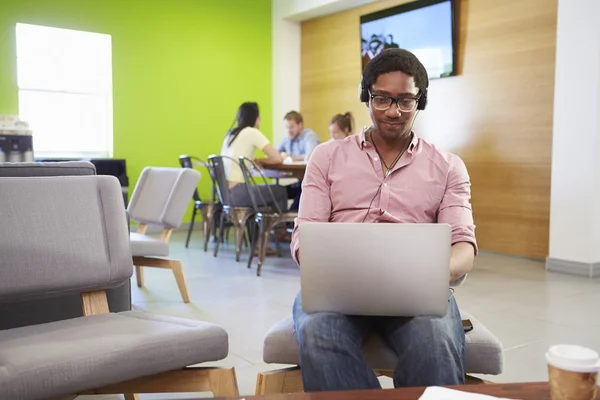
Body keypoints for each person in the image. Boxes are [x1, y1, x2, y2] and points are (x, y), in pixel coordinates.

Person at [290, 48, 477, 391]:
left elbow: (463, 246)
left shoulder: (449, 166)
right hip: (338, 289)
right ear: (366, 97)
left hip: (418, 291)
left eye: (406, 100)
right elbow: (304, 238)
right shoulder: (326, 157)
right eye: (382, 99)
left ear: (421, 101)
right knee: (318, 331)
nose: (393, 111)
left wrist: (429, 272)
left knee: (435, 341)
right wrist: (325, 265)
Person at [220, 102, 288, 213]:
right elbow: (278, 158)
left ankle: (264, 228)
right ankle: (279, 229)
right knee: (279, 190)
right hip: (239, 192)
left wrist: (256, 160)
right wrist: (260, 160)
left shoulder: (230, 135)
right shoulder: (251, 132)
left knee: (267, 192)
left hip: (224, 193)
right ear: (256, 118)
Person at [277, 111, 320, 211]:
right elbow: (272, 154)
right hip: (300, 180)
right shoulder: (287, 138)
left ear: (300, 125)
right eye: (286, 127)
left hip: (313, 181)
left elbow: (310, 156)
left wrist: (291, 157)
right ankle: (284, 220)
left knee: (302, 190)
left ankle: (290, 219)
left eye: (291, 127)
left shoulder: (309, 136)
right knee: (278, 191)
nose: (288, 130)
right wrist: (281, 155)